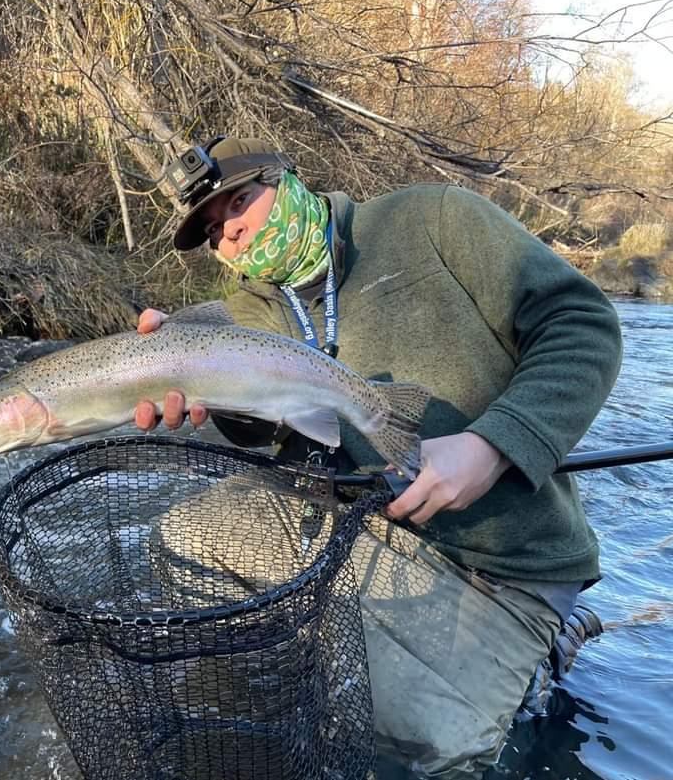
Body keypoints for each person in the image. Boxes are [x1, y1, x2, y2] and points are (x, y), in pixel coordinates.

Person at [133, 136, 623, 776]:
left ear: (288, 180)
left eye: (237, 201)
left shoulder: (432, 219)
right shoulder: (249, 313)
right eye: (211, 231)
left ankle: (548, 644)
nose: (229, 231)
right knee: (180, 536)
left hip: (505, 565)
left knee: (421, 748)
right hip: (364, 532)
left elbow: (582, 321)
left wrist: (497, 443)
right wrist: (215, 398)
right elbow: (271, 433)